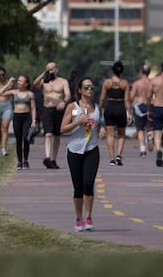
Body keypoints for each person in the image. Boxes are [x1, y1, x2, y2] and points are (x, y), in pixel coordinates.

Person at [60, 77, 106, 231]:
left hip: (91, 149)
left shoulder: (96, 107)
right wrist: (76, 122)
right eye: (86, 87)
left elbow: (98, 125)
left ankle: (88, 216)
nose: (90, 90)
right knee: (78, 187)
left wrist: (102, 130)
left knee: (88, 184)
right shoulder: (73, 107)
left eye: (92, 87)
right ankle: (78, 218)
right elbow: (62, 129)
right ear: (79, 90)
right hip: (74, 150)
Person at [33, 62, 71, 169]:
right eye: (48, 69)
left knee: (57, 136)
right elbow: (35, 84)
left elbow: (68, 94)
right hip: (47, 109)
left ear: (56, 70)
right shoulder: (44, 82)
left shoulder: (63, 81)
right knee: (48, 134)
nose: (50, 71)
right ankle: (47, 157)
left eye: (52, 69)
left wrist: (64, 102)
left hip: (58, 110)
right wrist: (44, 73)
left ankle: (53, 159)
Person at [0, 75, 36, 170]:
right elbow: (0, 93)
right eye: (18, 81)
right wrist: (9, 83)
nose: (18, 82)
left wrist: (34, 121)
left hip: (26, 117)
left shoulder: (30, 94)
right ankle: (19, 162)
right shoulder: (14, 92)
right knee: (18, 140)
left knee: (25, 139)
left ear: (26, 83)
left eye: (21, 81)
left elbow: (33, 108)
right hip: (17, 117)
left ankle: (26, 160)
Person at [99, 61, 132, 166]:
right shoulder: (124, 83)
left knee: (110, 135)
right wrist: (129, 113)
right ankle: (119, 155)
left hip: (110, 107)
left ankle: (112, 159)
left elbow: (102, 98)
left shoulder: (107, 82)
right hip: (120, 107)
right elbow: (127, 100)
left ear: (112, 70)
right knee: (121, 134)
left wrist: (99, 109)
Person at [130, 64, 152, 157]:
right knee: (149, 128)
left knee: (140, 129)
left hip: (139, 106)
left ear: (141, 71)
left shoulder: (137, 83)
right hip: (149, 106)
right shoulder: (152, 83)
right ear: (149, 72)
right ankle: (150, 139)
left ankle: (142, 150)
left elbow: (131, 97)